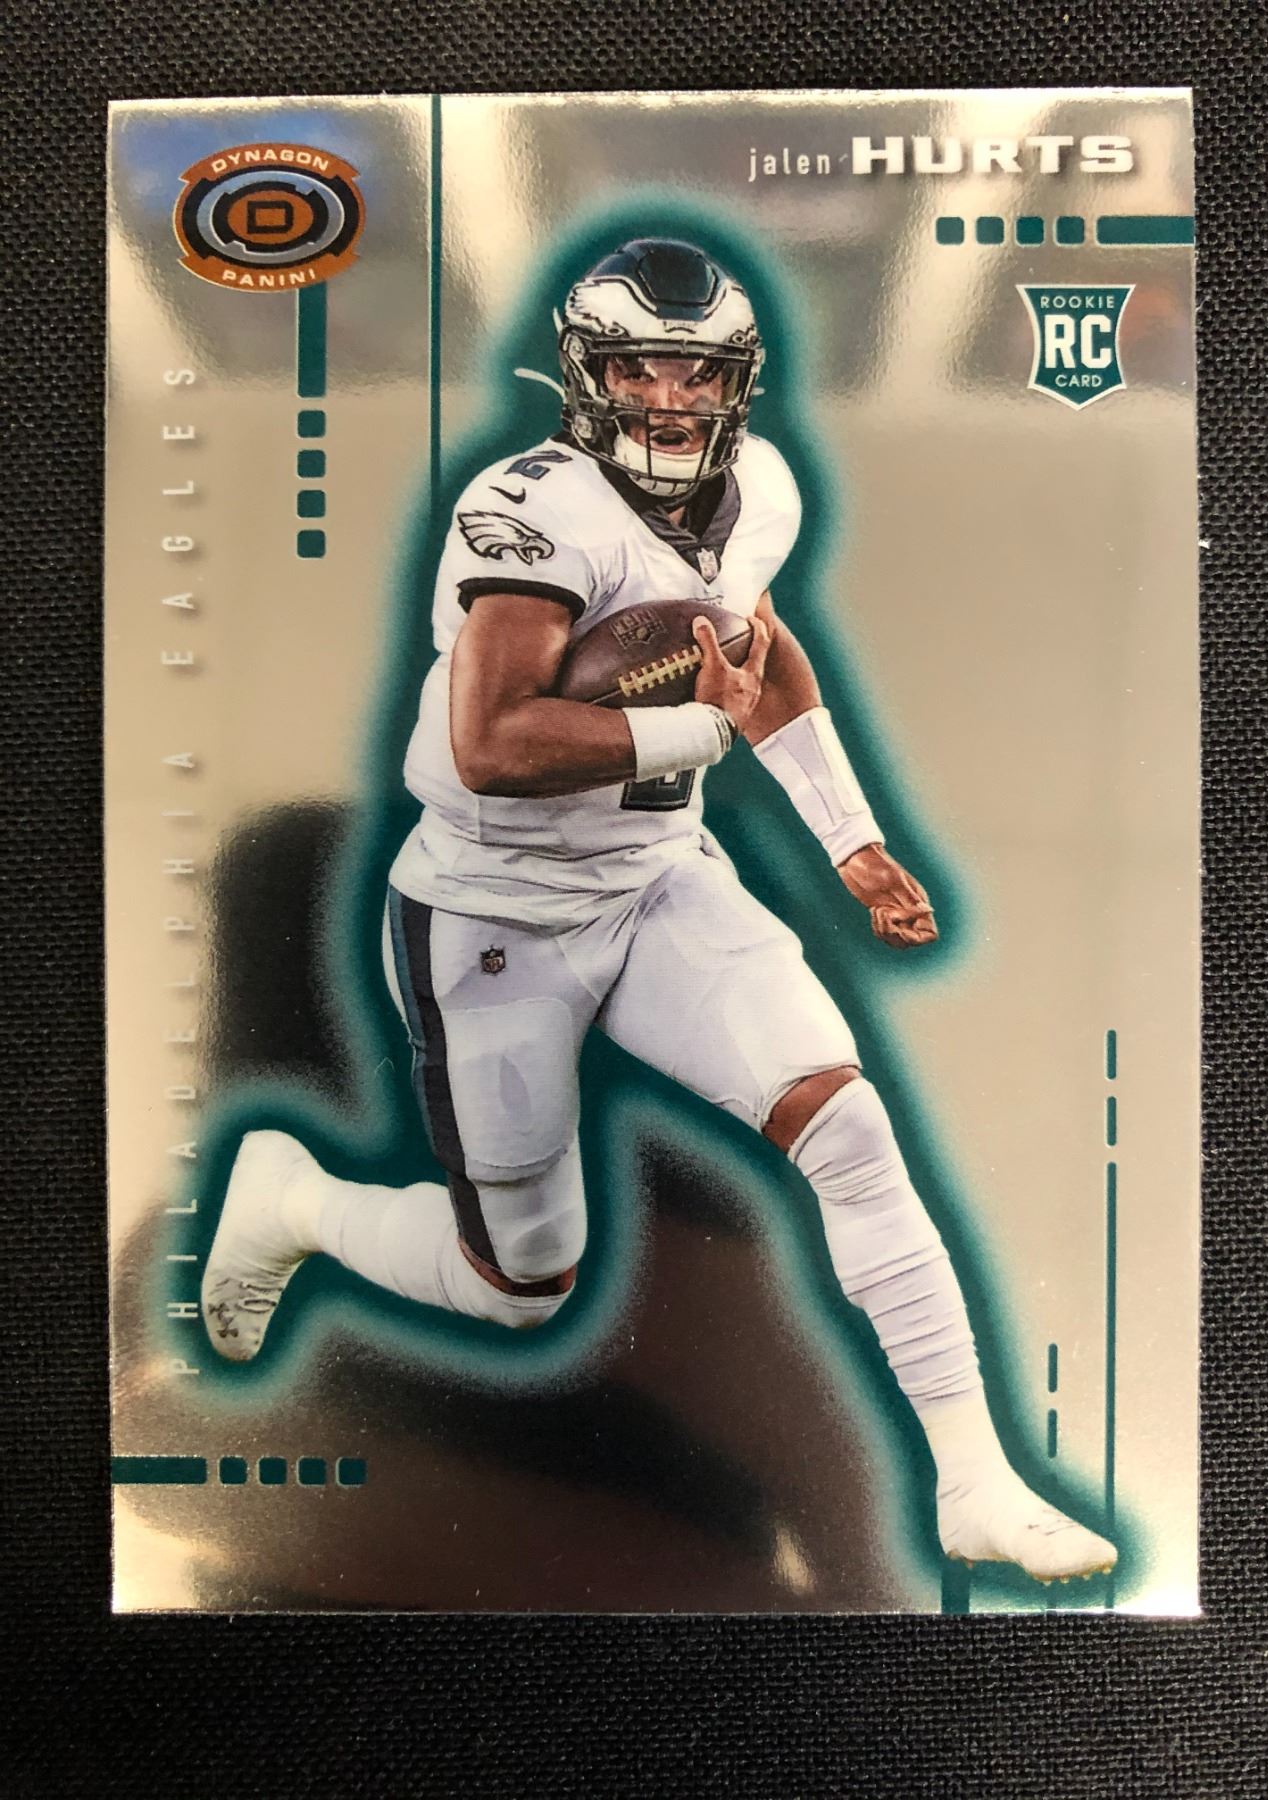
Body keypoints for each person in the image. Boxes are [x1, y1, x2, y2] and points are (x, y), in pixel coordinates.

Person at [203, 237, 1115, 1583]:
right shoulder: (529, 510)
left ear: (737, 380)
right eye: (640, 367)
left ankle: (975, 1482)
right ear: (589, 372)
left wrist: (851, 842)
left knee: (849, 1128)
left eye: (697, 372)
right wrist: (698, 728)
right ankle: (293, 1200)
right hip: (493, 911)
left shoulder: (760, 490)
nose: (671, 399)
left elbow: (755, 648)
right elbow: (488, 743)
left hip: (660, 881)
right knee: (520, 1286)